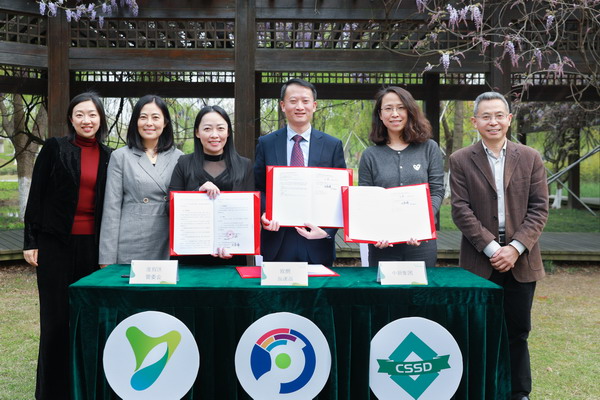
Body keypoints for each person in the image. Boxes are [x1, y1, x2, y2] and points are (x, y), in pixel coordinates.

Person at [449, 92, 549, 400]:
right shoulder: (461, 159)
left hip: (521, 260)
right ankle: (479, 389)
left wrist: (515, 248)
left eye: (499, 115)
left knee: (518, 331)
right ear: (474, 121)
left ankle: (519, 392)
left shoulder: (530, 157)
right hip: (480, 260)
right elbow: (460, 210)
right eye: (486, 116)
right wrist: (492, 248)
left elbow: (539, 209)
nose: (493, 122)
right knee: (478, 330)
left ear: (509, 119)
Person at [23, 92, 112, 400]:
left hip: (94, 249)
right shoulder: (55, 148)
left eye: (92, 114)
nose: (87, 120)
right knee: (56, 321)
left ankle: (85, 387)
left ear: (101, 119)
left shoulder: (110, 156)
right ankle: (51, 392)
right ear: (71, 119)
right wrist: (31, 240)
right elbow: (36, 194)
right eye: (80, 115)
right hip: (55, 245)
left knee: (89, 319)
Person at [254, 78, 346, 266]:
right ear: (283, 105)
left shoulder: (332, 145)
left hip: (317, 240)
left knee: (319, 286)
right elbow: (258, 187)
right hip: (278, 240)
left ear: (314, 106)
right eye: (293, 101)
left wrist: (327, 231)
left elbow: (340, 193)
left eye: (305, 101)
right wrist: (264, 213)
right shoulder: (266, 143)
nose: (299, 107)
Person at [359, 86, 444, 267]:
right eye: (388, 108)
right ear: (380, 115)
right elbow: (366, 200)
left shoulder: (429, 148)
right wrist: (374, 232)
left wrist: (422, 222)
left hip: (421, 241)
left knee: (420, 286)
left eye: (400, 108)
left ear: (410, 111)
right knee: (383, 286)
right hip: (382, 243)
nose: (395, 114)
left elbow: (437, 191)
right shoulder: (370, 155)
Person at [99, 95, 182, 265]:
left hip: (168, 240)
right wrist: (107, 257)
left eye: (155, 117)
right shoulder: (120, 156)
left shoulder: (179, 157)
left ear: (165, 123)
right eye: (143, 117)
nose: (149, 123)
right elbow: (111, 209)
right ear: (135, 122)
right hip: (132, 240)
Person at [168, 105, 253, 265]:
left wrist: (235, 245)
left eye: (220, 128)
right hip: (190, 254)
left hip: (231, 254)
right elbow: (169, 208)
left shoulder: (244, 165)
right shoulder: (184, 163)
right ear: (197, 132)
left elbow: (250, 214)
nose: (214, 135)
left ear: (228, 132)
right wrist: (196, 193)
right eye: (207, 129)